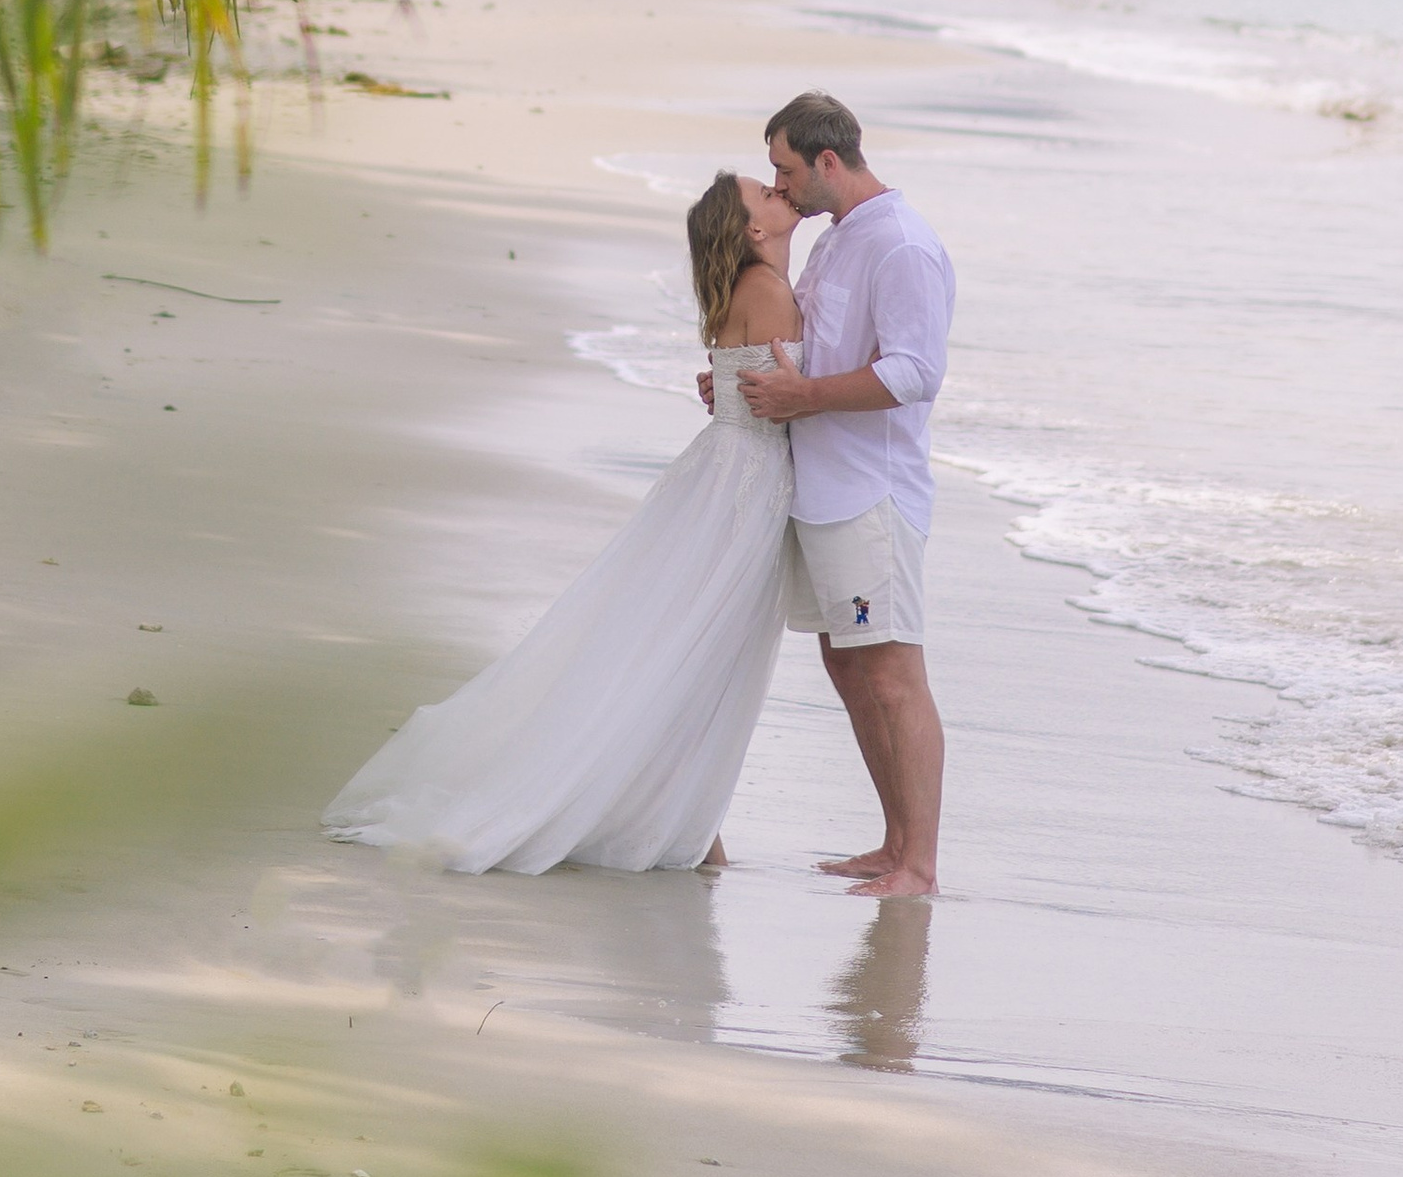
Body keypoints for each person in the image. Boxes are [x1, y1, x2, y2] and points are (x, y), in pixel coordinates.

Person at [322, 171, 801, 874]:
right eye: (764, 189)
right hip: (745, 488)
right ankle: (680, 823)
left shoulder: (750, 289)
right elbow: (791, 401)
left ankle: (688, 820)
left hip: (720, 477)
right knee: (700, 655)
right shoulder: (771, 291)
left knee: (684, 650)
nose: (776, 189)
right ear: (754, 230)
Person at [736, 90, 955, 899]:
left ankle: (919, 866)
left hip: (873, 496)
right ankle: (892, 842)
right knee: (848, 665)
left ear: (830, 161)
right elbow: (811, 351)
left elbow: (915, 372)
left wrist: (807, 398)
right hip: (820, 490)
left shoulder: (900, 246)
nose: (781, 186)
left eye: (787, 170)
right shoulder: (837, 238)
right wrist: (747, 388)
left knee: (893, 674)